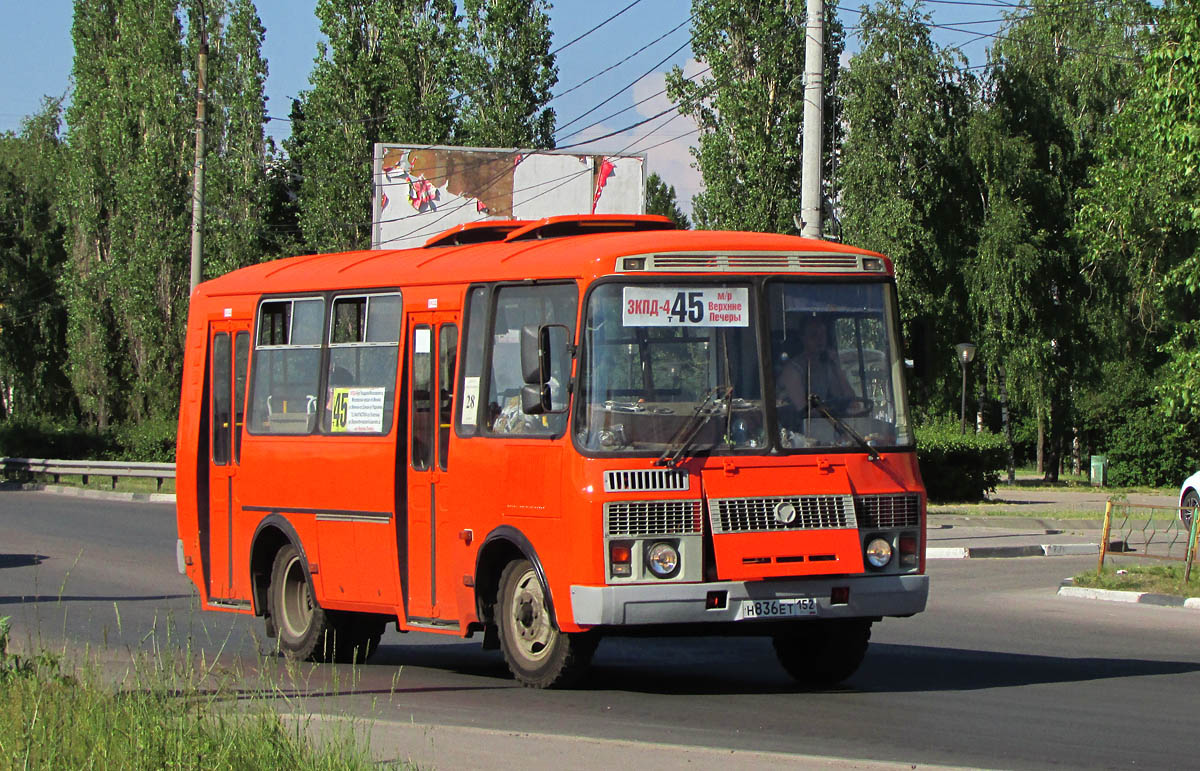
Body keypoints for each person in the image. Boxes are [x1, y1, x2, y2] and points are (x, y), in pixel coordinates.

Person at [777, 317, 861, 416]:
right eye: (814, 335)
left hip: (820, 425)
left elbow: (849, 401)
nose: (820, 340)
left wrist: (837, 367)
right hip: (793, 428)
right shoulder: (792, 371)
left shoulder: (826, 367)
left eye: (823, 334)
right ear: (803, 338)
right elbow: (805, 411)